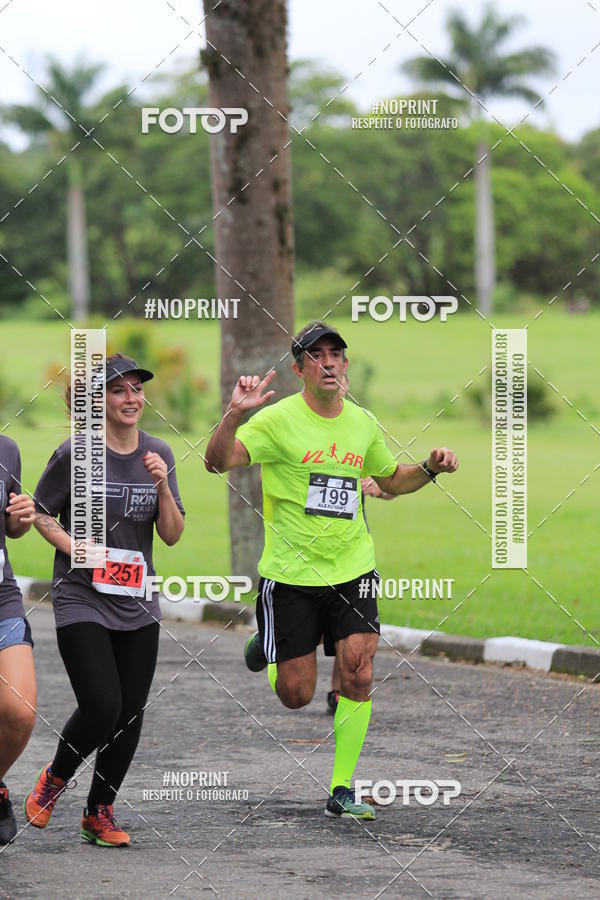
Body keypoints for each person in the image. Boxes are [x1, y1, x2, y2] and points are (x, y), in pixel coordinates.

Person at [205, 320, 458, 820]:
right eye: (315, 355)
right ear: (299, 368)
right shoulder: (278, 421)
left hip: (353, 568)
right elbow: (217, 462)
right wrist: (233, 416)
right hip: (291, 575)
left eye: (335, 354)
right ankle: (268, 646)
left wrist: (429, 468)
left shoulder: (362, 422)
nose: (328, 362)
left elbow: (392, 479)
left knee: (359, 673)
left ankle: (342, 787)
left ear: (344, 364)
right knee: (296, 695)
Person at [24, 354, 185, 847]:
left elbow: (173, 535)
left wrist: (161, 483)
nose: (132, 398)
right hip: (81, 595)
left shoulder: (158, 452)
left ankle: (99, 812)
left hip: (136, 599)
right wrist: (78, 549)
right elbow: (39, 513)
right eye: (120, 390)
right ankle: (55, 778)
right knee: (102, 704)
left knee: (130, 712)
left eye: (137, 389)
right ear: (99, 401)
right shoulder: (75, 453)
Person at [0, 438, 36, 844]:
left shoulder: (7, 449)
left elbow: (11, 525)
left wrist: (21, 518)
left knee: (20, 712)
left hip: (2, 598)